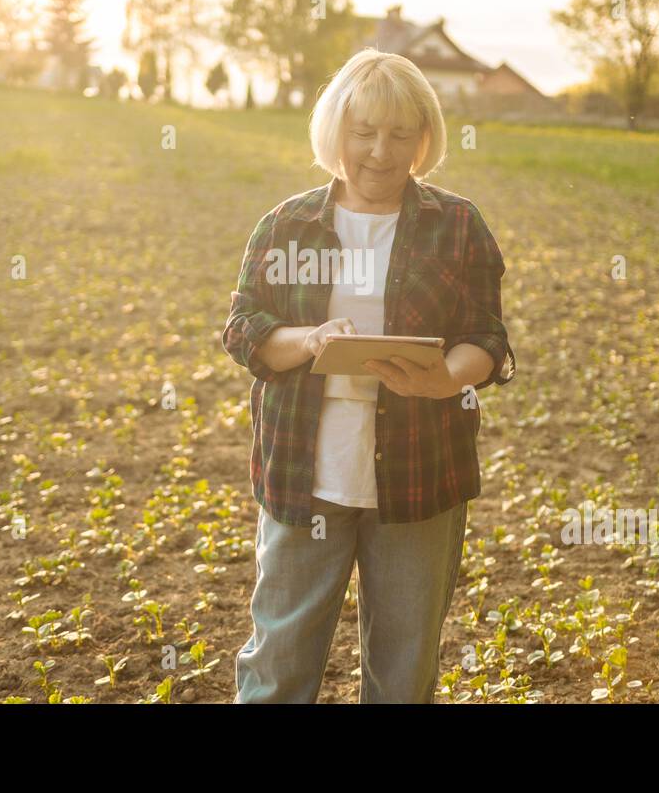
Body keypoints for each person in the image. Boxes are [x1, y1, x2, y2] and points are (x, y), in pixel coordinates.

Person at [221, 48, 516, 703]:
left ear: (422, 140)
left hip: (419, 479)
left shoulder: (458, 226)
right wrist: (310, 339)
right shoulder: (287, 225)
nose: (381, 151)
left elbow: (488, 338)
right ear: (337, 133)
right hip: (307, 479)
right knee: (279, 663)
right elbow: (245, 331)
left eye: (399, 134)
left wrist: (443, 379)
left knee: (403, 674)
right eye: (364, 132)